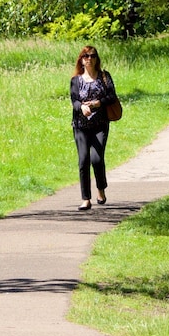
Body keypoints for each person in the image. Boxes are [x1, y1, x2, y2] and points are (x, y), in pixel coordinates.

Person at [70, 45, 118, 211]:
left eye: (92, 56)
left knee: (96, 159)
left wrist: (99, 103)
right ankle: (86, 199)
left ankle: (101, 189)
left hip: (100, 125)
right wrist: (81, 107)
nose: (89, 59)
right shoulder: (75, 80)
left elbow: (112, 96)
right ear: (81, 60)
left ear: (96, 59)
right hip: (80, 126)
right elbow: (74, 100)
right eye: (86, 56)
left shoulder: (104, 77)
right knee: (83, 160)